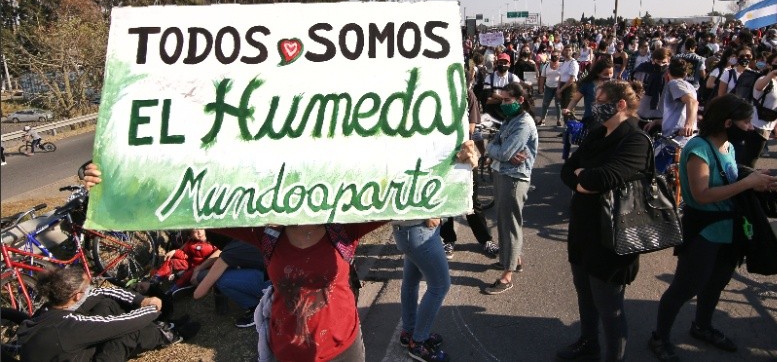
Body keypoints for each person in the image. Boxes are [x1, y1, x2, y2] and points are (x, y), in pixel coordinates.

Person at [82, 163, 383, 362]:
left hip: (343, 347)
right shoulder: (268, 232)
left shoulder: (343, 227)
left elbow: (408, 198)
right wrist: (113, 185)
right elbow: (187, 205)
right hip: (286, 348)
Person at [648, 94, 777, 361]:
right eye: (745, 122)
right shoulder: (699, 148)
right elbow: (701, 195)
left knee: (716, 284)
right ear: (728, 122)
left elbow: (728, 180)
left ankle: (702, 326)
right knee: (685, 288)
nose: (751, 127)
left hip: (728, 231)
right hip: (704, 231)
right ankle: (659, 337)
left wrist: (756, 181)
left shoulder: (727, 146)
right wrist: (746, 183)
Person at [558, 80, 649, 361]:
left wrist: (585, 177)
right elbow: (568, 170)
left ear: (620, 104)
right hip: (583, 229)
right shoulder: (598, 133)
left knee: (609, 306)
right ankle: (588, 342)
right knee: (585, 294)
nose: (595, 106)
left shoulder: (635, 140)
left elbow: (601, 178)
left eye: (600, 101)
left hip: (612, 236)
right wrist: (584, 179)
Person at [17, 266, 182, 361]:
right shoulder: (72, 326)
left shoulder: (50, 309)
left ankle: (158, 327)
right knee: (128, 334)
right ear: (78, 295)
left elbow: (101, 293)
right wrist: (151, 310)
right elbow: (123, 323)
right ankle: (168, 334)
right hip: (70, 350)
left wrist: (141, 300)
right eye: (87, 287)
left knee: (105, 304)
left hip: (64, 354)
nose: (91, 289)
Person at [483, 82, 538, 295]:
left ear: (520, 100)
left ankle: (507, 275)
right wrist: (494, 148)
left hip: (514, 178)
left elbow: (504, 153)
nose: (504, 104)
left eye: (508, 100)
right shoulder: (511, 119)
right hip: (503, 174)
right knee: (505, 220)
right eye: (503, 100)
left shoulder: (524, 123)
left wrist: (492, 148)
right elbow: (497, 145)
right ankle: (514, 260)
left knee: (510, 225)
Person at [442, 61, 500, 260]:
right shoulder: (438, 96)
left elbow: (471, 128)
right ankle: (448, 240)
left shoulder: (469, 96)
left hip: (465, 156)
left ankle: (485, 239)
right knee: (447, 200)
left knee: (472, 201)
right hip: (442, 157)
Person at [393, 217, 452, 362]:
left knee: (411, 281)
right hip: (419, 229)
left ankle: (409, 332)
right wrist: (428, 213)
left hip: (408, 229)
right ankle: (418, 343)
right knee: (440, 286)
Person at [193, 239, 269, 328]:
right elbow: (220, 253)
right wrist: (199, 268)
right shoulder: (244, 237)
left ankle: (256, 310)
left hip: (273, 285)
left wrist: (198, 277)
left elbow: (198, 293)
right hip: (282, 277)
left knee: (220, 279)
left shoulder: (231, 251)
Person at [733, 53, 777, 168]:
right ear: (769, 64)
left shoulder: (776, 82)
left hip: (766, 126)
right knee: (748, 161)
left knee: (749, 160)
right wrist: (772, 73)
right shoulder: (763, 79)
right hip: (756, 127)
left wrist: (776, 126)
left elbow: (774, 106)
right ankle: (744, 183)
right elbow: (759, 87)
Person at [644, 59, 699, 142]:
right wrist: (656, 122)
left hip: (675, 141)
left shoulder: (674, 84)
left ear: (668, 72)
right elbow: (677, 116)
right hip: (684, 139)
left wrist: (688, 125)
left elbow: (693, 102)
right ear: (685, 74)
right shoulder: (690, 87)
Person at [150, 228, 218, 294]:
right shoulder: (191, 243)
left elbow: (217, 257)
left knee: (186, 275)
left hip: (203, 267)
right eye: (195, 231)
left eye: (200, 229)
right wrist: (175, 252)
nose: (199, 233)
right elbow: (185, 254)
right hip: (190, 263)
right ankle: (158, 276)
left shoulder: (213, 242)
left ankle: (175, 288)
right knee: (171, 261)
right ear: (191, 235)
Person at [483, 53, 521, 120]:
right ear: (497, 63)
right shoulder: (489, 78)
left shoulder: (514, 78)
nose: (503, 65)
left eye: (505, 63)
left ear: (509, 65)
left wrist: (494, 95)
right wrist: (506, 99)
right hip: (492, 115)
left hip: (509, 115)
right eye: (500, 62)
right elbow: (487, 100)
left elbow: (516, 100)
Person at [538, 54, 562, 126]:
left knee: (558, 104)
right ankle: (542, 120)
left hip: (558, 88)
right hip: (548, 87)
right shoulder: (546, 66)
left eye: (556, 61)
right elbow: (542, 77)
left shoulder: (562, 65)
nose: (554, 63)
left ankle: (559, 120)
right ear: (551, 59)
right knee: (545, 104)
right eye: (553, 60)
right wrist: (541, 87)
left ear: (559, 59)